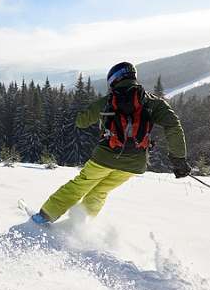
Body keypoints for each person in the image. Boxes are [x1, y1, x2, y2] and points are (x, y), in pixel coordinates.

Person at [32, 62, 190, 224]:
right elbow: (173, 126)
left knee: (79, 186)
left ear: (114, 79)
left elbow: (81, 121)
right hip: (134, 163)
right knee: (101, 190)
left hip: (104, 157)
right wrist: (178, 159)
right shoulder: (155, 103)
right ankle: (80, 223)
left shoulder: (108, 101)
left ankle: (44, 216)